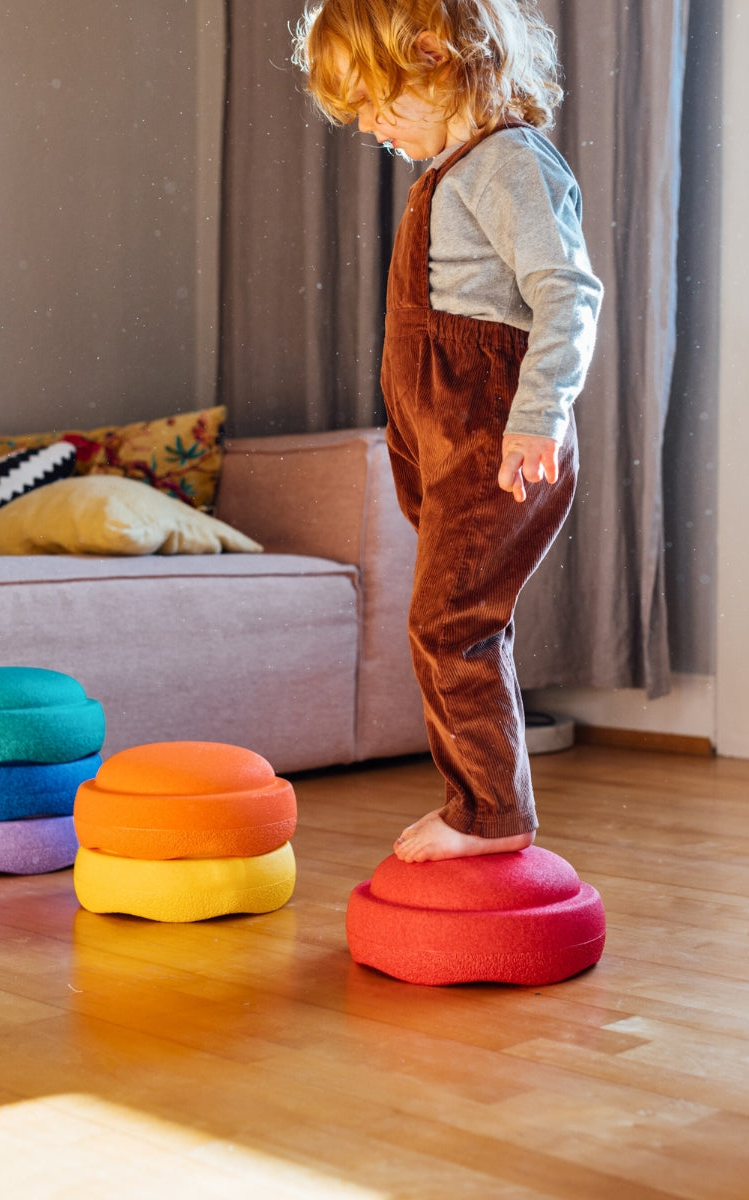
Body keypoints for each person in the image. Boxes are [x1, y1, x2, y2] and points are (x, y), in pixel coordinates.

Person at [292, 0, 601, 863]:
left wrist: (538, 416)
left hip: (495, 438)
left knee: (448, 624)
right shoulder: (455, 170)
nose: (369, 125)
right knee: (456, 622)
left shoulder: (508, 163)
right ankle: (483, 805)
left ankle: (488, 816)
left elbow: (568, 293)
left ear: (433, 54)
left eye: (377, 102)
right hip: (443, 439)